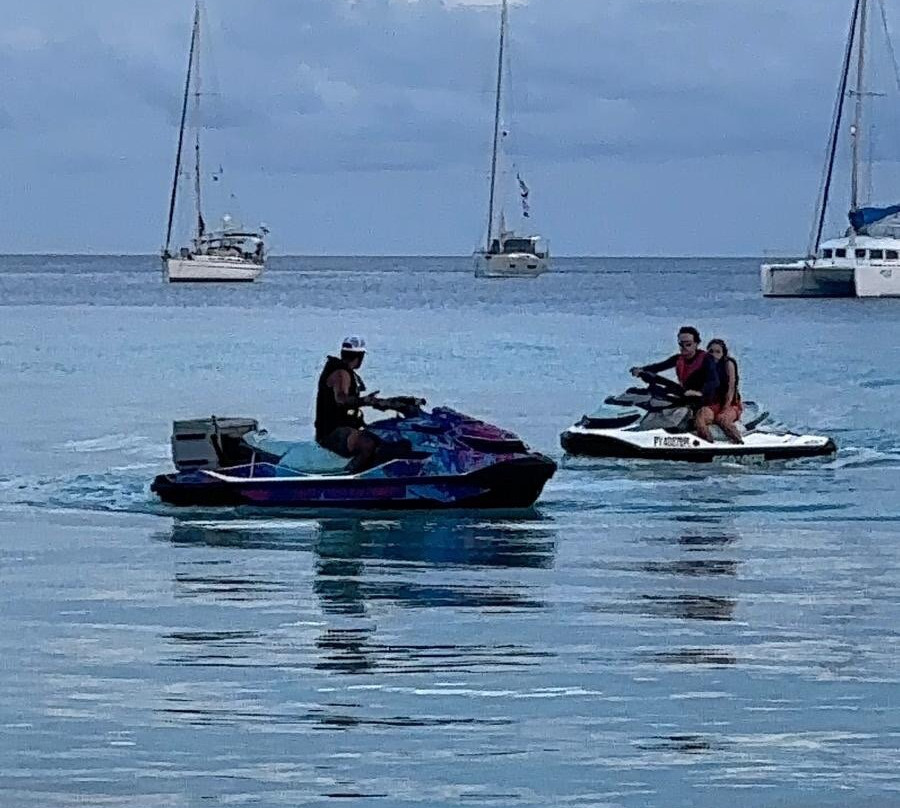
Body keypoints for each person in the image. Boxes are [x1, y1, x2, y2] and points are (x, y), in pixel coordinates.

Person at [630, 325, 720, 441]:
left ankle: (709, 443)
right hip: (685, 397)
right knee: (659, 393)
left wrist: (700, 392)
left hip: (705, 400)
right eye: (681, 344)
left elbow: (714, 381)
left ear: (696, 344)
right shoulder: (678, 359)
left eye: (688, 344)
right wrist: (641, 370)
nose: (684, 348)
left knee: (697, 419)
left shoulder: (706, 359)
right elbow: (659, 366)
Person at [314, 336, 387, 471]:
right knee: (368, 444)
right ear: (360, 357)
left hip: (341, 428)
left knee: (381, 434)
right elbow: (341, 399)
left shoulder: (342, 370)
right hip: (333, 431)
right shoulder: (341, 373)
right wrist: (365, 401)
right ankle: (349, 475)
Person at [702, 338, 744, 444]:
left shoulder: (728, 364)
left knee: (722, 419)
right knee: (700, 418)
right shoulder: (706, 366)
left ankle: (739, 442)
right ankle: (708, 443)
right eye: (711, 351)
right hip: (714, 404)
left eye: (718, 352)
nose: (714, 354)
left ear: (723, 353)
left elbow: (731, 388)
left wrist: (725, 408)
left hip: (731, 404)